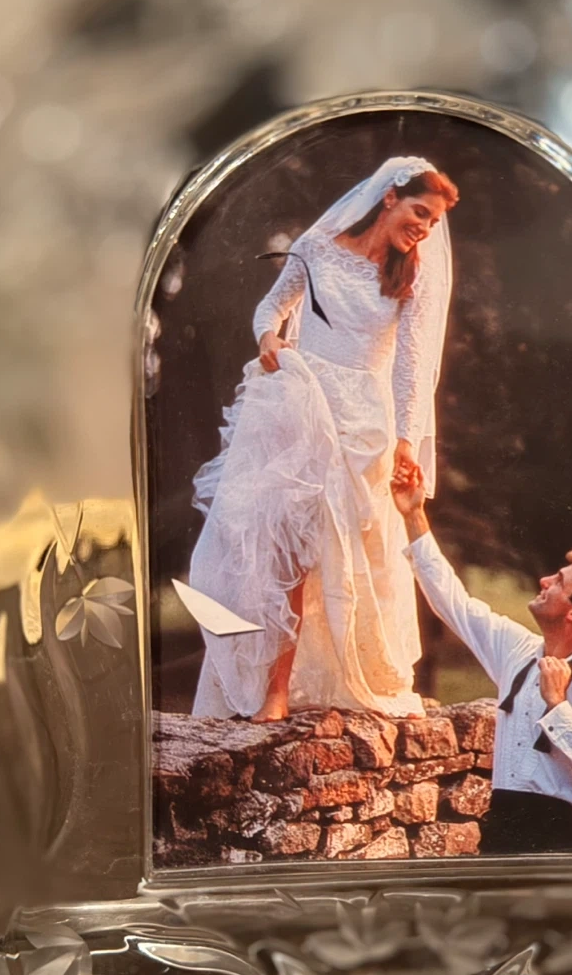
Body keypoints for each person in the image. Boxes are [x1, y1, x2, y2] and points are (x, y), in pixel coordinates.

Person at [188, 157, 459, 722]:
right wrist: (268, 337)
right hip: (302, 404)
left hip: (363, 420)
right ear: (389, 197)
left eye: (434, 222)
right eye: (420, 212)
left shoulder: (413, 274)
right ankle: (274, 690)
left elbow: (410, 366)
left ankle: (351, 678)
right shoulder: (316, 247)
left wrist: (407, 439)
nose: (425, 229)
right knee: (290, 545)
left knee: (345, 554)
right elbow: (272, 307)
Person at [390, 461, 572, 855]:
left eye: (559, 582)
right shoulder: (518, 649)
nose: (545, 581)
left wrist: (558, 704)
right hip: (502, 835)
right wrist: (414, 515)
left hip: (562, 847)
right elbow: (454, 602)